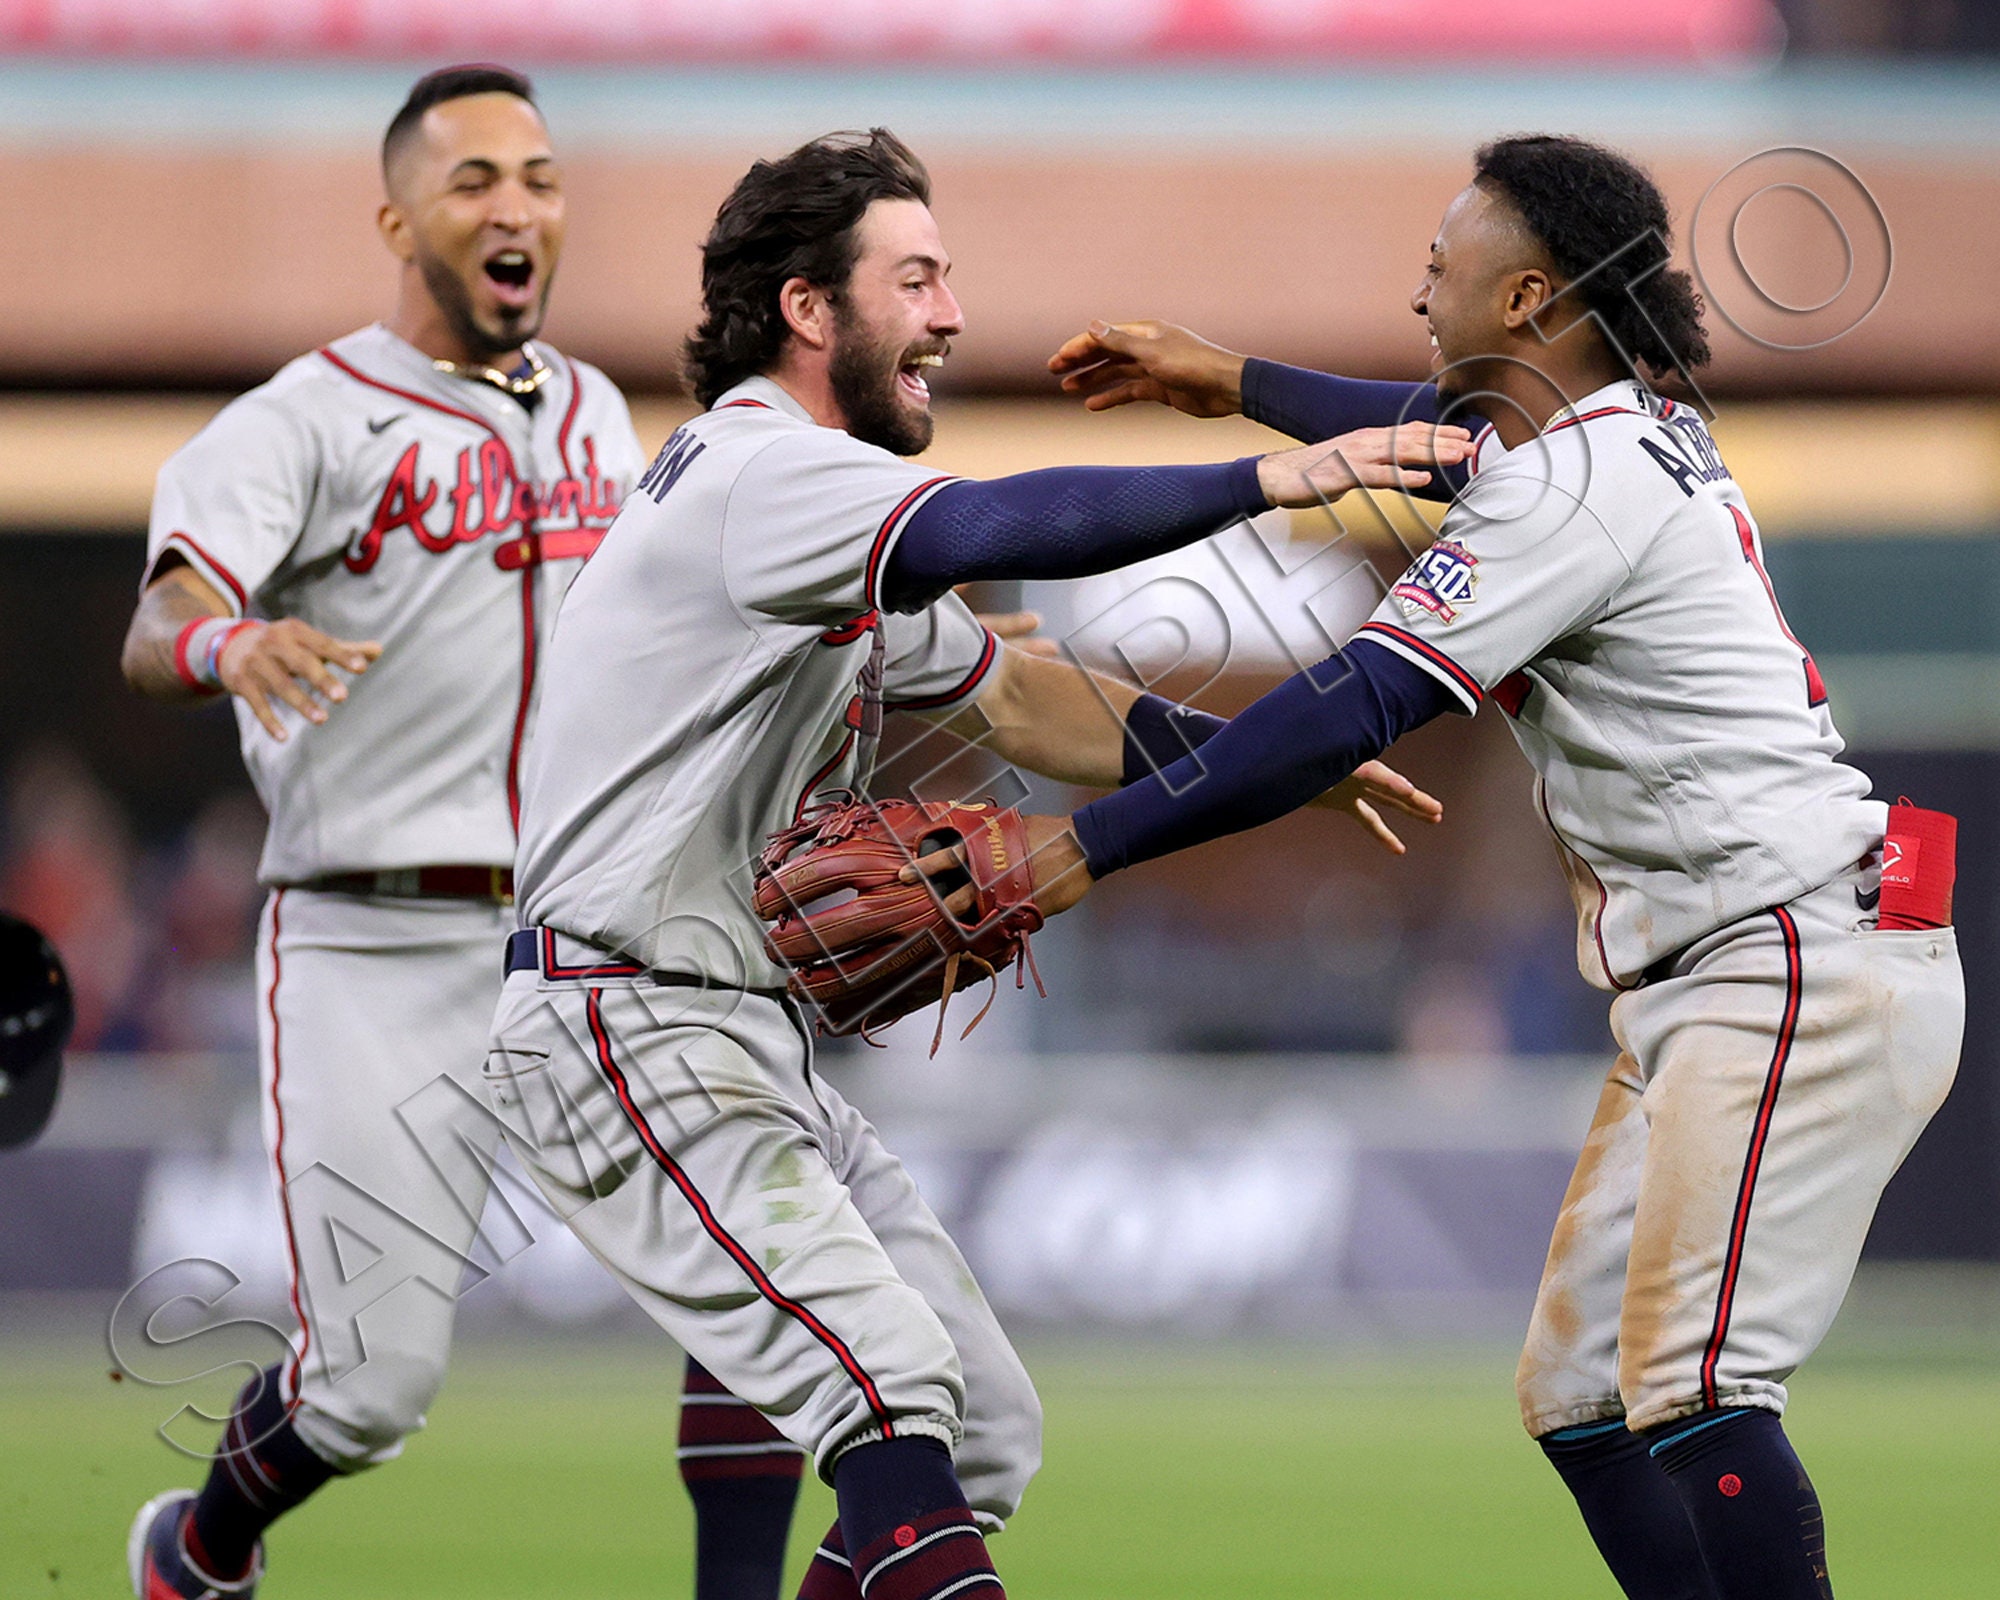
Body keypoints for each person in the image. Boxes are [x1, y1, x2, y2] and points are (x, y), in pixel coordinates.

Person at [966, 132, 1964, 1600]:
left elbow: (1349, 703)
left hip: (1790, 963)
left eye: (1447, 268)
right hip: (1732, 967)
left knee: (1695, 1389)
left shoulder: (1570, 489)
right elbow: (1438, 435)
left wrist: (1083, 845)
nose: (1421, 291)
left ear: (1533, 298)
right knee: (1580, 1396)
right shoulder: (1611, 436)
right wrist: (1232, 379)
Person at [488, 126, 1461, 1600]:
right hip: (619, 1015)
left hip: (728, 1028)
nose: (948, 314)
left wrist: (1267, 762)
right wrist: (1280, 478)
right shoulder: (768, 477)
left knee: (983, 1427)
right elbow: (1006, 521)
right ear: (810, 310)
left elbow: (1022, 698)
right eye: (917, 279)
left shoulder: (808, 511)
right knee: (886, 1392)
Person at [117, 65, 805, 1600]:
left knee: (759, 1283)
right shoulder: (302, 418)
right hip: (373, 935)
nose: (517, 207)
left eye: (541, 179)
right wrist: (227, 645)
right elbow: (161, 619)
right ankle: (200, 1549)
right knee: (366, 1387)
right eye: (477, 178)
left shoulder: (594, 412)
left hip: (582, 937)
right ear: (398, 215)